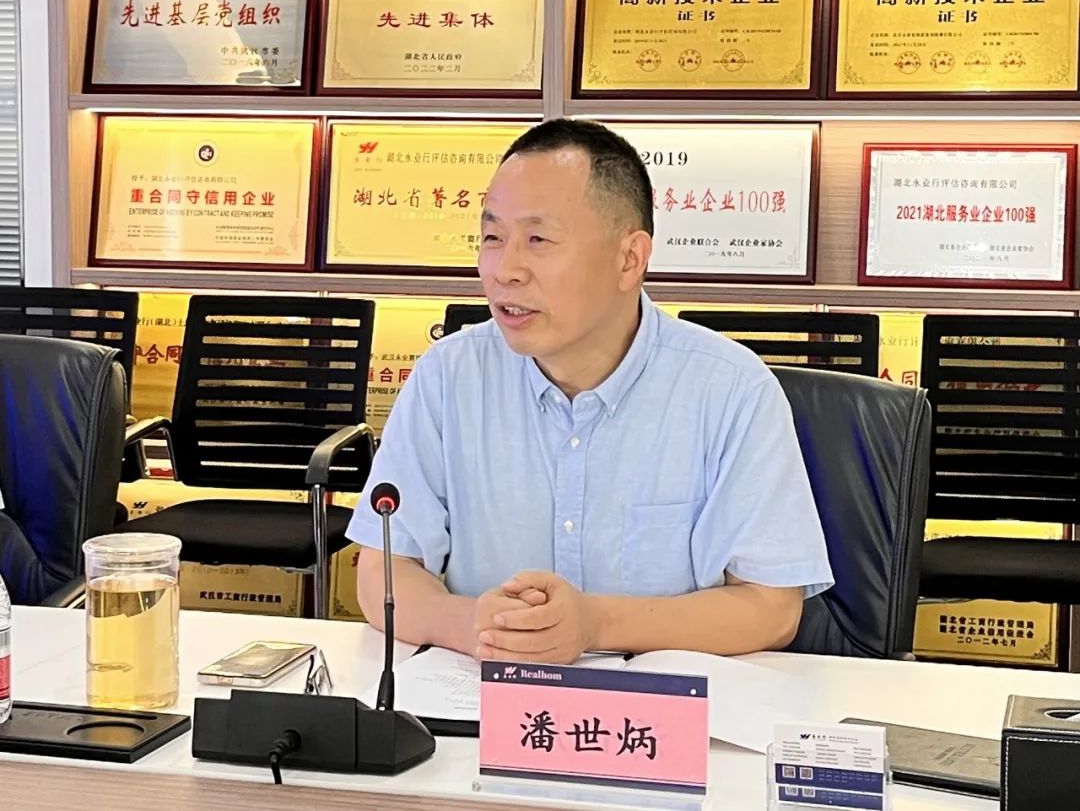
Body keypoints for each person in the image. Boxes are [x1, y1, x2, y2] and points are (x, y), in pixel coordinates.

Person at [347, 119, 833, 664]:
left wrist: (594, 624)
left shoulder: (730, 390)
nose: (505, 270)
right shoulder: (448, 376)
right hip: (486, 695)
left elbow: (772, 607)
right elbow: (384, 568)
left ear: (629, 259)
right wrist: (477, 626)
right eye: (492, 237)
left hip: (665, 704)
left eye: (538, 240)